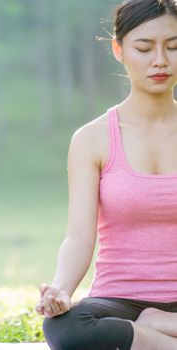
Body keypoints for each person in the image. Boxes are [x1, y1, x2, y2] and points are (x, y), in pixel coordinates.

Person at [35, 1, 177, 349]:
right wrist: (62, 290)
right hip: (120, 301)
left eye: (173, 47)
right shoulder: (92, 139)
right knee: (66, 328)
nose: (160, 60)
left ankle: (163, 327)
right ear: (119, 50)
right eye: (144, 48)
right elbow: (80, 236)